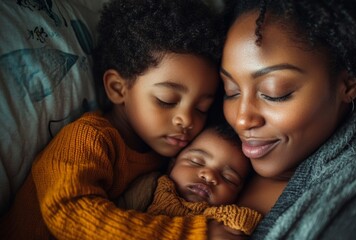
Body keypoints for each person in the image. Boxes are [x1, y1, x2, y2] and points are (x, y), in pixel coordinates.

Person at [0, 0, 225, 239]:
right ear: (118, 88)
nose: (187, 120)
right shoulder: (89, 138)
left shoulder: (168, 157)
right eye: (167, 100)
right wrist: (195, 234)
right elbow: (68, 212)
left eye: (202, 108)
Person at [213, 0, 356, 239]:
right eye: (231, 91)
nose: (242, 120)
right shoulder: (192, 144)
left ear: (349, 82)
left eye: (275, 93)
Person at [118, 122, 262, 235]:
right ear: (172, 164)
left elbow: (246, 222)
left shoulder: (223, 218)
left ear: (238, 194)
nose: (209, 175)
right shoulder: (151, 186)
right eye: (196, 161)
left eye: (228, 178)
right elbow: (120, 218)